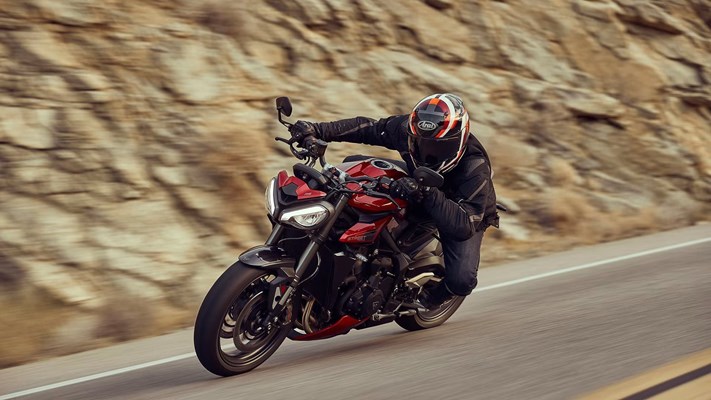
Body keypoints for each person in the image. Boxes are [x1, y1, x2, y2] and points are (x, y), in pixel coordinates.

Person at [289, 93, 499, 307]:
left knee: (462, 280)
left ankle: (429, 300)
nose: (428, 152)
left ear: (460, 140)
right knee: (355, 165)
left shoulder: (475, 167)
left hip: (461, 208)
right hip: (417, 182)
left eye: (438, 147)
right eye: (421, 143)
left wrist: (427, 192)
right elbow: (369, 128)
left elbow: (464, 226)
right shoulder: (406, 130)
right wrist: (317, 130)